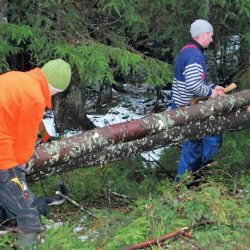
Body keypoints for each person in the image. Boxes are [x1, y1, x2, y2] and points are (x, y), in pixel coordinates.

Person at [0, 59, 71, 249]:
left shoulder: (15, 78)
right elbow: (24, 145)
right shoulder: (35, 98)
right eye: (57, 93)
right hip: (2, 158)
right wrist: (19, 171)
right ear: (56, 88)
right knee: (28, 217)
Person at [171, 19, 225, 183]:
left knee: (206, 141)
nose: (212, 39)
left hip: (185, 105)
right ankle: (181, 189)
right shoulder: (195, 55)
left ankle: (195, 179)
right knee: (194, 149)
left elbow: (195, 81)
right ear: (203, 34)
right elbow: (194, 86)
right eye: (210, 35)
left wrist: (214, 87)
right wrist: (211, 93)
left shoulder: (188, 51)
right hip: (189, 109)